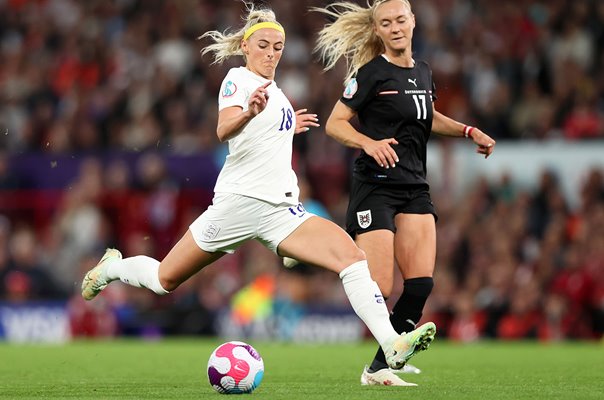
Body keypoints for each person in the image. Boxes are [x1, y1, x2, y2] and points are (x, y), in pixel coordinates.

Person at [81, 1, 435, 375]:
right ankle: (112, 269)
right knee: (164, 280)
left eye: (277, 47)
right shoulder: (238, 80)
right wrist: (248, 113)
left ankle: (391, 345)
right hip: (238, 205)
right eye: (263, 45)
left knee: (351, 258)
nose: (271, 53)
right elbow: (224, 129)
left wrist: (285, 124)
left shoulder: (277, 94)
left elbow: (264, 131)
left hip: (280, 212)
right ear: (246, 47)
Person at [312, 0, 496, 386]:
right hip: (375, 185)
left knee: (421, 284)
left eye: (400, 20)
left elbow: (427, 115)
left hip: (414, 185)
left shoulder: (424, 71)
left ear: (412, 22)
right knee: (379, 286)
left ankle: (379, 365)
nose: (395, 27)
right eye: (386, 23)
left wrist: (467, 131)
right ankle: (322, 261)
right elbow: (334, 123)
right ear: (377, 30)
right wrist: (366, 142)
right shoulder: (370, 74)